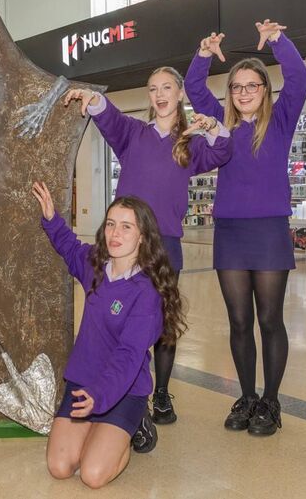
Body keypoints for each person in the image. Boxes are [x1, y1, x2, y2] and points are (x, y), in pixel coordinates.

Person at [62, 69, 231, 435]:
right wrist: (91, 98)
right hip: (125, 246)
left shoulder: (189, 145)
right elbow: (110, 117)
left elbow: (223, 150)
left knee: (162, 326)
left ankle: (163, 394)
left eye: (166, 87)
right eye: (152, 89)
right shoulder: (134, 135)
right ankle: (127, 400)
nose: (159, 94)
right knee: (121, 324)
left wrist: (213, 124)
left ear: (180, 92)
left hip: (165, 246)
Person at [184, 20, 306, 436]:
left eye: (251, 86)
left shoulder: (282, 121)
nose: (243, 93)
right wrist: (203, 55)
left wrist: (278, 40)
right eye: (236, 87)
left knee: (270, 320)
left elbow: (300, 76)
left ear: (264, 90)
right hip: (231, 233)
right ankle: (247, 396)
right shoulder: (223, 127)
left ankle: (271, 402)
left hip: (270, 231)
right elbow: (194, 88)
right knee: (239, 321)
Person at [34, 183, 186, 489]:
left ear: (143, 237)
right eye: (111, 225)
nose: (115, 234)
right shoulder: (96, 266)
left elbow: (129, 356)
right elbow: (69, 248)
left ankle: (133, 424)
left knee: (92, 475)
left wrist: (100, 397)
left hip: (124, 388)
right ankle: (100, 430)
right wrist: (52, 218)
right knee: (60, 467)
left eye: (126, 227)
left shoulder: (147, 292)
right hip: (84, 380)